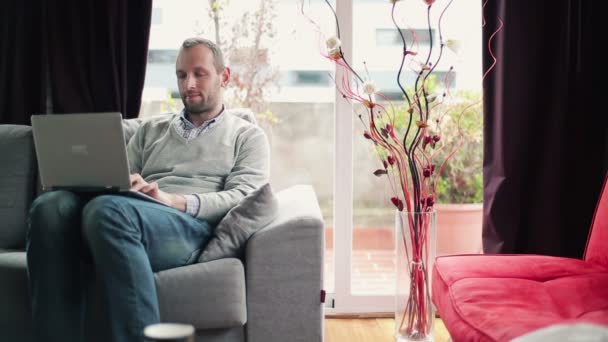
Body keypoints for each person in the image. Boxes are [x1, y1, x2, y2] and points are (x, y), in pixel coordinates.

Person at [26, 37, 270, 342]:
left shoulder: (247, 136)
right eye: (181, 75)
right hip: (131, 212)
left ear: (225, 76)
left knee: (107, 212)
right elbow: (116, 178)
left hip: (189, 228)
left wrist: (173, 200)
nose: (188, 83)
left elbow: (243, 196)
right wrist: (115, 185)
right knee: (50, 207)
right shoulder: (150, 131)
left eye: (199, 73)